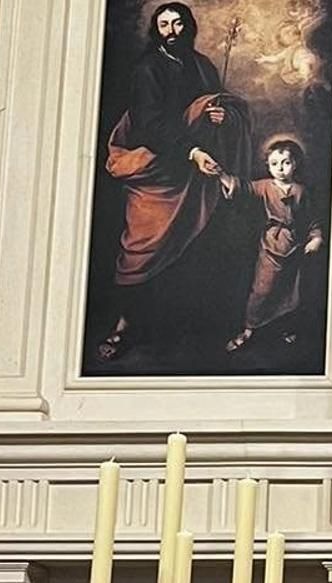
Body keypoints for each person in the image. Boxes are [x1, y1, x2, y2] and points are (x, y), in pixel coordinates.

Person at [95, 2, 252, 362]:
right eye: (164, 24)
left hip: (193, 174)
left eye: (178, 23)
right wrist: (193, 150)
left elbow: (210, 113)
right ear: (157, 31)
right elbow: (150, 126)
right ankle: (124, 324)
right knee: (140, 247)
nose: (172, 30)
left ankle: (180, 325)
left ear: (189, 27)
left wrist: (219, 115)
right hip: (155, 167)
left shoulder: (203, 67)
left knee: (195, 243)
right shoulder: (147, 69)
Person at [225, 138, 326, 352]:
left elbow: (313, 220)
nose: (280, 169)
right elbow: (243, 187)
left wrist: (316, 238)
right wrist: (223, 177)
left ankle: (286, 328)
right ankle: (249, 329)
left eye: (286, 163)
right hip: (271, 246)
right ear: (268, 166)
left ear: (295, 164)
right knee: (262, 289)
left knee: (291, 291)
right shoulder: (264, 187)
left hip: (295, 247)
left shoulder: (301, 191)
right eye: (275, 164)